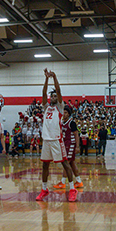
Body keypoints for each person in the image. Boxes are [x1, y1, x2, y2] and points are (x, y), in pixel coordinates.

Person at [36, 69, 77, 203]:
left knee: (65, 164)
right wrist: (46, 79)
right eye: (51, 96)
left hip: (56, 140)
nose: (53, 97)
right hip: (46, 140)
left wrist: (54, 77)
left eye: (54, 96)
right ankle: (44, 189)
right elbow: (43, 93)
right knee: (45, 166)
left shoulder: (60, 107)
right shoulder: (46, 107)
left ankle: (72, 189)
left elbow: (59, 91)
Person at [54, 105, 83, 190]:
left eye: (66, 112)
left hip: (71, 144)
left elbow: (76, 135)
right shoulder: (62, 122)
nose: (64, 114)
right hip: (65, 143)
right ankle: (78, 181)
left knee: (66, 163)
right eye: (63, 112)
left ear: (69, 114)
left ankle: (63, 182)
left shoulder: (71, 123)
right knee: (72, 163)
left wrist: (77, 146)